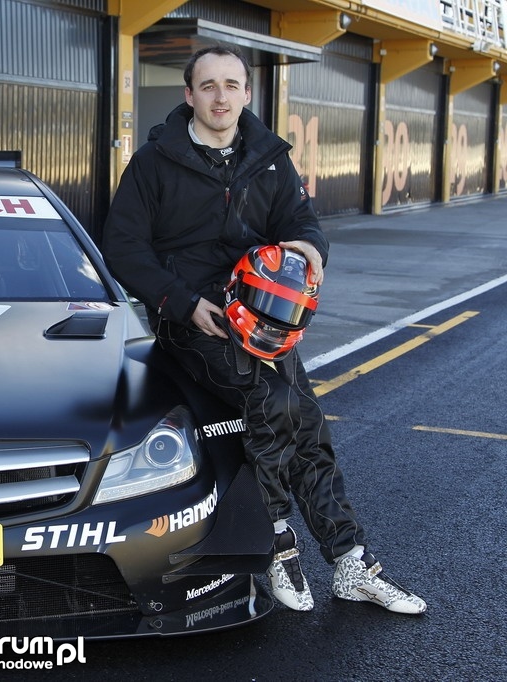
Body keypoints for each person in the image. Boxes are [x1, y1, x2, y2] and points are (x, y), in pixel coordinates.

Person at [100, 44, 426, 615]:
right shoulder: (154, 162)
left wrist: (310, 248)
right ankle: (276, 540)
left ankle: (350, 562)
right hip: (198, 319)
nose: (220, 96)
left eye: (231, 85)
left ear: (247, 94)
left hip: (266, 318)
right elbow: (122, 247)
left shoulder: (270, 159)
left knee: (308, 422)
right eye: (208, 86)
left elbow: (301, 221)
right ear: (189, 95)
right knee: (273, 400)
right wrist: (181, 302)